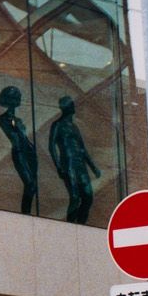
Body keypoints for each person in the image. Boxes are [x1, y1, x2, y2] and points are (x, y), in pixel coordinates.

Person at [48, 95, 101, 224]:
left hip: (80, 164)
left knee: (88, 196)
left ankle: (81, 225)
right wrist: (58, 166)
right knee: (75, 197)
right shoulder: (57, 125)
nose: (73, 106)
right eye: (71, 104)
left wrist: (93, 168)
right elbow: (51, 146)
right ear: (65, 107)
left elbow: (82, 149)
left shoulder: (74, 127)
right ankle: (71, 227)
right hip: (68, 163)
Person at [0, 84, 38, 214]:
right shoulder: (3, 118)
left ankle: (27, 212)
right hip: (19, 152)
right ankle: (25, 213)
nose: (17, 100)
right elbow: (15, 136)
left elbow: (24, 137)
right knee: (30, 184)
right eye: (15, 97)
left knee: (33, 185)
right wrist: (18, 128)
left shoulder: (17, 120)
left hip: (29, 151)